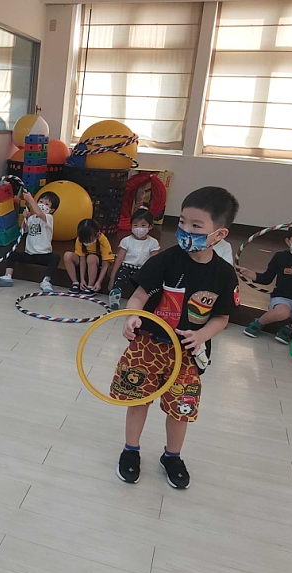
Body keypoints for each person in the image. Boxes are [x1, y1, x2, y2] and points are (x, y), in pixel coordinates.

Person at [112, 187, 239, 489]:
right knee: (138, 399)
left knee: (181, 408)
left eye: (196, 226)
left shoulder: (223, 274)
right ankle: (131, 450)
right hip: (148, 344)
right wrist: (133, 316)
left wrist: (202, 335)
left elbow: (222, 318)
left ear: (219, 234)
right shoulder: (166, 259)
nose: (186, 230)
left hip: (187, 354)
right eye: (182, 222)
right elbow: (139, 295)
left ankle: (172, 456)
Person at [0, 191, 60, 292]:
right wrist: (25, 218)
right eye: (41, 202)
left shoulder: (48, 218)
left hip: (44, 254)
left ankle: (46, 281)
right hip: (29, 253)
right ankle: (8, 276)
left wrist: (30, 200)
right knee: (12, 254)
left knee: (55, 257)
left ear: (52, 210)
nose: (42, 205)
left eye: (46, 204)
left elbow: (40, 213)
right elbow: (23, 230)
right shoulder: (32, 218)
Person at [108, 207, 160, 310]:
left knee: (145, 283)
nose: (139, 228)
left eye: (143, 225)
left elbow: (154, 261)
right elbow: (119, 259)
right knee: (120, 278)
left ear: (150, 226)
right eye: (135, 225)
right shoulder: (126, 240)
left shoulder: (153, 242)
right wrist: (112, 278)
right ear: (131, 226)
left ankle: (142, 300)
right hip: (126, 267)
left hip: (143, 269)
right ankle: (115, 295)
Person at [63, 218, 114, 296]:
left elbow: (105, 264)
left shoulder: (102, 240)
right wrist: (82, 279)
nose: (86, 242)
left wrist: (99, 282)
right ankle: (75, 283)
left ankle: (90, 286)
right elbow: (82, 259)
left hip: (96, 262)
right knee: (67, 255)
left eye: (88, 240)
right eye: (84, 240)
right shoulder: (80, 239)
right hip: (85, 261)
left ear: (97, 234)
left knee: (91, 257)